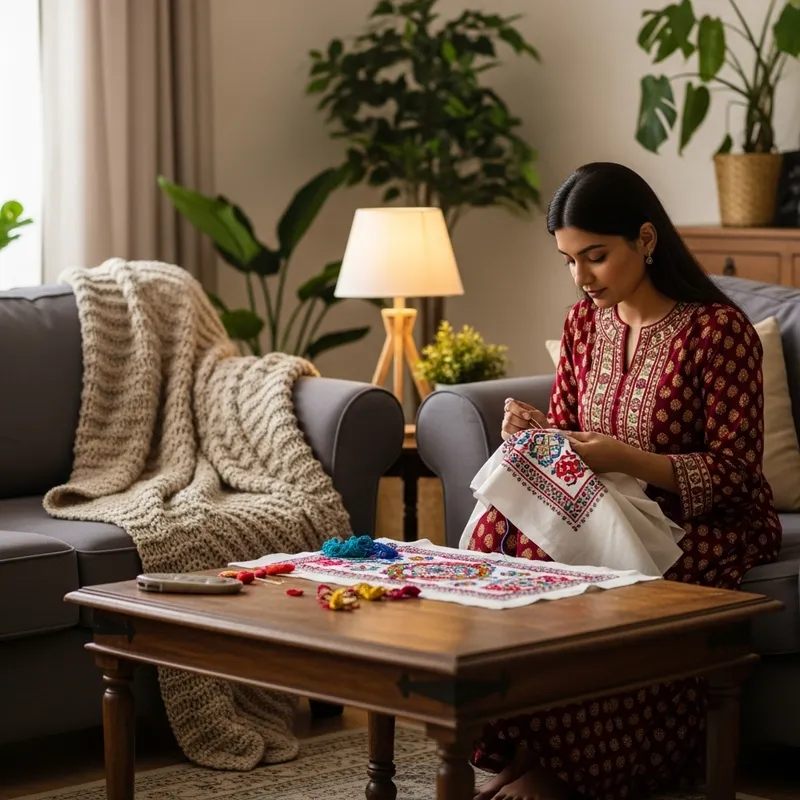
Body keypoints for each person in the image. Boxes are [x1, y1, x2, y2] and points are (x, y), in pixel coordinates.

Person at [469, 162, 782, 800]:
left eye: (595, 256)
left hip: (707, 523)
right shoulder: (586, 325)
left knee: (577, 570)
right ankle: (532, 749)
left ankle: (575, 769)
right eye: (568, 261)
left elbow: (737, 475)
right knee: (507, 532)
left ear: (645, 239)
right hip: (606, 505)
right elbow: (566, 432)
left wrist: (627, 458)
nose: (582, 278)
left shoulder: (718, 334)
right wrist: (533, 430)